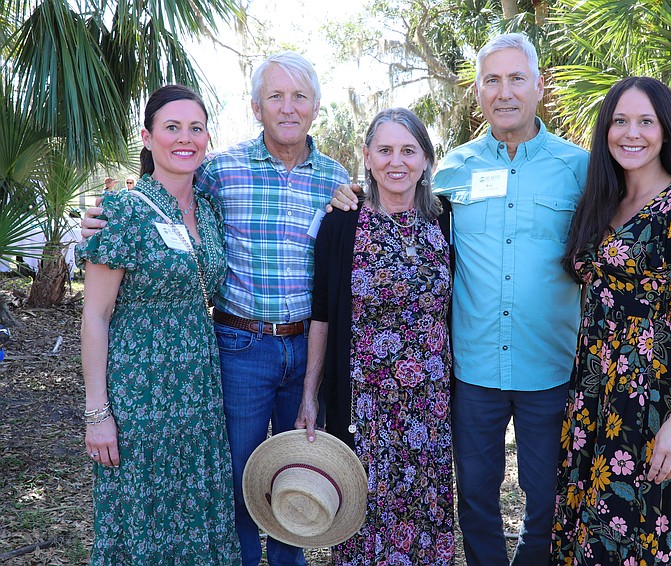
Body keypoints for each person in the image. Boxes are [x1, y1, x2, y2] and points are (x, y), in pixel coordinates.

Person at [329, 33, 589, 566]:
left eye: (517, 77)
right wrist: (354, 194)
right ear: (477, 92)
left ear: (539, 85)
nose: (505, 91)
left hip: (551, 365)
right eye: (492, 80)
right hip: (472, 370)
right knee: (474, 502)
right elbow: (399, 202)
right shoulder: (452, 169)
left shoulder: (581, 169)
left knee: (547, 501)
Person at [81, 52, 350, 566]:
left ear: (316, 107)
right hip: (236, 347)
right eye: (275, 96)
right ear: (255, 107)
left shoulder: (335, 182)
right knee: (237, 481)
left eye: (299, 97)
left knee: (295, 476)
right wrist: (88, 227)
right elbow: (141, 213)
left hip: (300, 347)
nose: (287, 108)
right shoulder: (221, 173)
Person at [550, 77, 671, 565]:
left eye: (646, 121)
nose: (631, 133)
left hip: (645, 398)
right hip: (591, 390)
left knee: (630, 533)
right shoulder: (601, 201)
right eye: (620, 121)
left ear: (666, 131)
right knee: (582, 529)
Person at [78, 85, 240, 564]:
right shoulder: (121, 211)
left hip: (199, 393)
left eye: (196, 128)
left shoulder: (209, 212)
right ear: (147, 138)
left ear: (208, 138)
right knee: (142, 513)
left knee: (198, 511)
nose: (185, 138)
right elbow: (95, 314)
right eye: (172, 128)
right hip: (140, 394)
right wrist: (97, 412)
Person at [295, 108, 455, 564]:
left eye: (409, 150)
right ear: (367, 156)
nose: (396, 161)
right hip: (362, 401)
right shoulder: (342, 221)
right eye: (384, 150)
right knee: (361, 511)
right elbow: (322, 314)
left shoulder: (446, 219)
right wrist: (311, 395)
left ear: (426, 159)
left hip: (428, 404)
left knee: (424, 510)